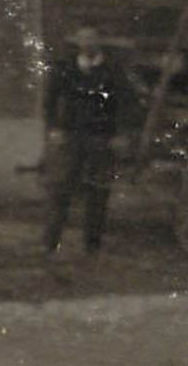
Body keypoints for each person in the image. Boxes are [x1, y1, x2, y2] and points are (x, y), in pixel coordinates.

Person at [42, 26, 129, 256]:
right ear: (78, 42)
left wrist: (119, 133)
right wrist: (54, 128)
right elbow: (50, 100)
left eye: (92, 38)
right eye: (83, 39)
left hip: (101, 137)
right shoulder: (66, 67)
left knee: (98, 192)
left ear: (99, 41)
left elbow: (124, 103)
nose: (88, 43)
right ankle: (50, 243)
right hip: (71, 136)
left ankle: (92, 246)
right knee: (62, 188)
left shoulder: (112, 70)